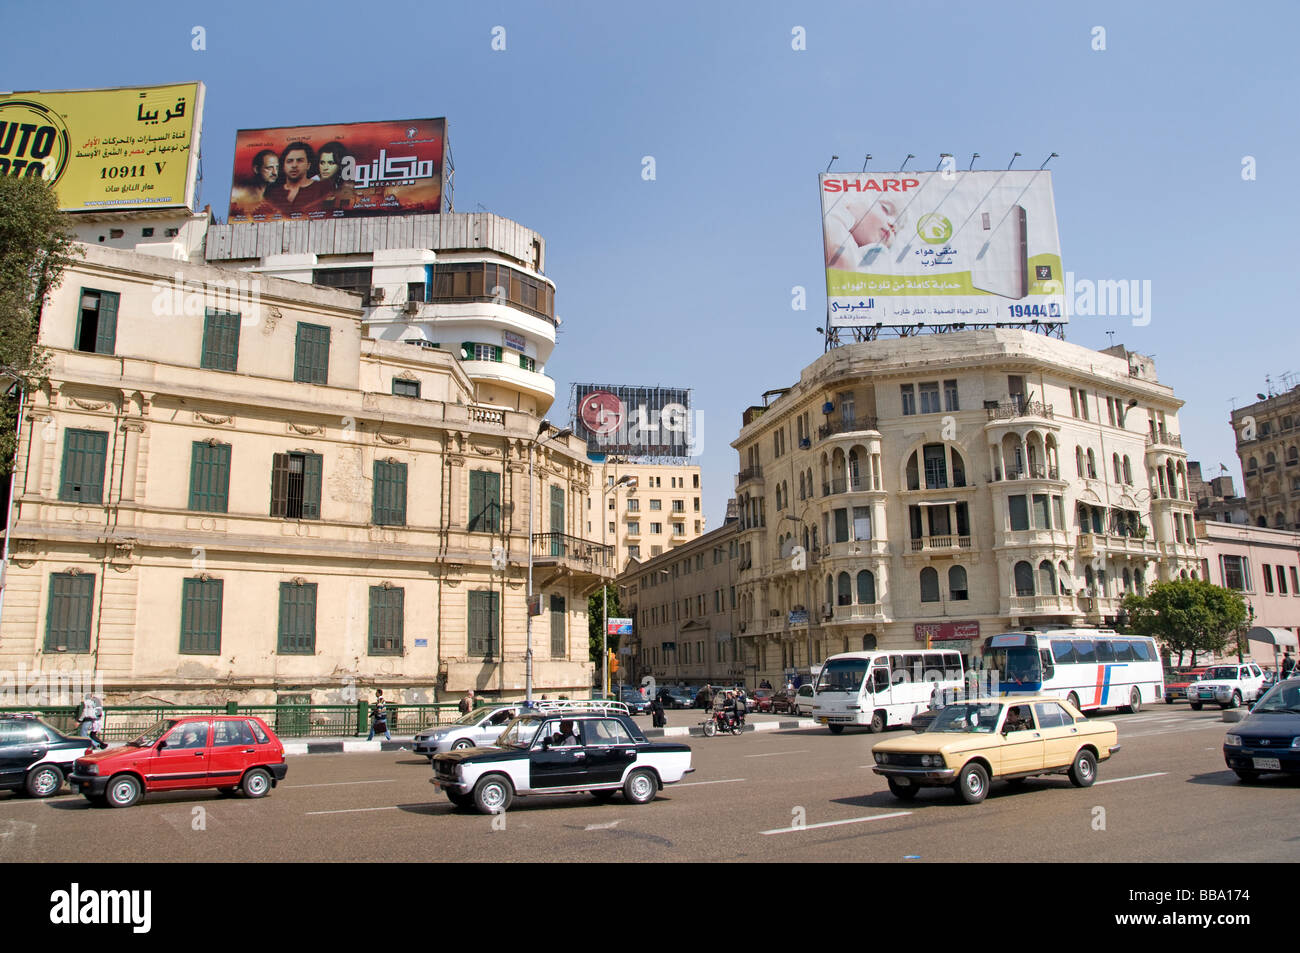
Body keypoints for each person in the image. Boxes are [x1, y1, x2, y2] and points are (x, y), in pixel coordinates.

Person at [260, 141, 322, 216]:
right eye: (289, 161)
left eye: (299, 160)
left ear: (308, 165)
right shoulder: (271, 193)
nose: (294, 165)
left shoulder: (322, 188)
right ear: (283, 166)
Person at [314, 140, 355, 214]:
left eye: (331, 163)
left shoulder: (341, 182)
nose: (325, 168)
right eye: (322, 163)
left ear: (340, 165)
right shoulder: (313, 183)